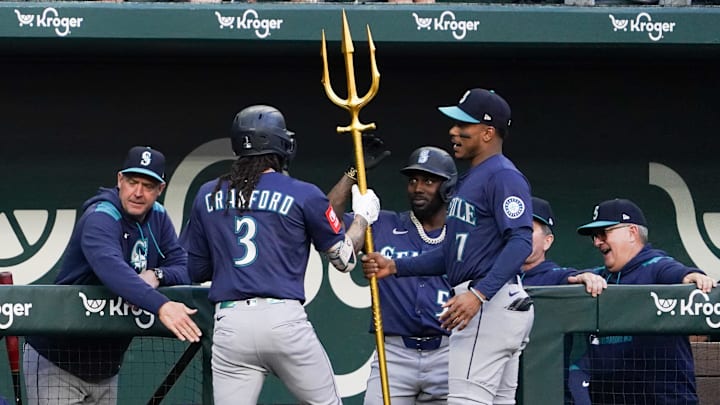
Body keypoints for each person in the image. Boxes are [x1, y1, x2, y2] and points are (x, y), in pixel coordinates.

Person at [179, 105, 381, 405]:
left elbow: (195, 270)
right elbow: (343, 260)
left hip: (231, 323)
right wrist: (363, 218)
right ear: (281, 145)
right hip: (283, 321)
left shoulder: (208, 193)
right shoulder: (302, 192)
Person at [362, 88, 535, 404]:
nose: (453, 131)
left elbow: (522, 241)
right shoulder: (473, 178)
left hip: (488, 303)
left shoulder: (502, 175)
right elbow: (455, 254)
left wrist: (478, 294)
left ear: (487, 132)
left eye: (463, 125)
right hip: (494, 303)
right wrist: (397, 266)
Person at [23, 146, 202, 405]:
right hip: (58, 360)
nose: (138, 192)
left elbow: (186, 267)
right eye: (132, 182)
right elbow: (111, 269)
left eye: (148, 185)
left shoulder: (158, 218)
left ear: (160, 189)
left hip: (106, 369)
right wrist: (161, 305)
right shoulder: (100, 216)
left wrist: (157, 274)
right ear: (120, 180)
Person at [328, 144, 458, 405]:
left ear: (447, 188)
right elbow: (326, 220)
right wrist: (354, 172)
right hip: (395, 356)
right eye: (413, 181)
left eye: (429, 181)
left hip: (450, 352)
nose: (418, 188)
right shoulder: (384, 224)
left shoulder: (463, 233)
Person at [575, 198, 716, 404]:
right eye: (595, 236)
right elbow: (566, 279)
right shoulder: (599, 278)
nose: (597, 242)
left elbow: (674, 272)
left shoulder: (655, 266)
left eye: (604, 233)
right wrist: (579, 277)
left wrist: (691, 276)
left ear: (632, 232)